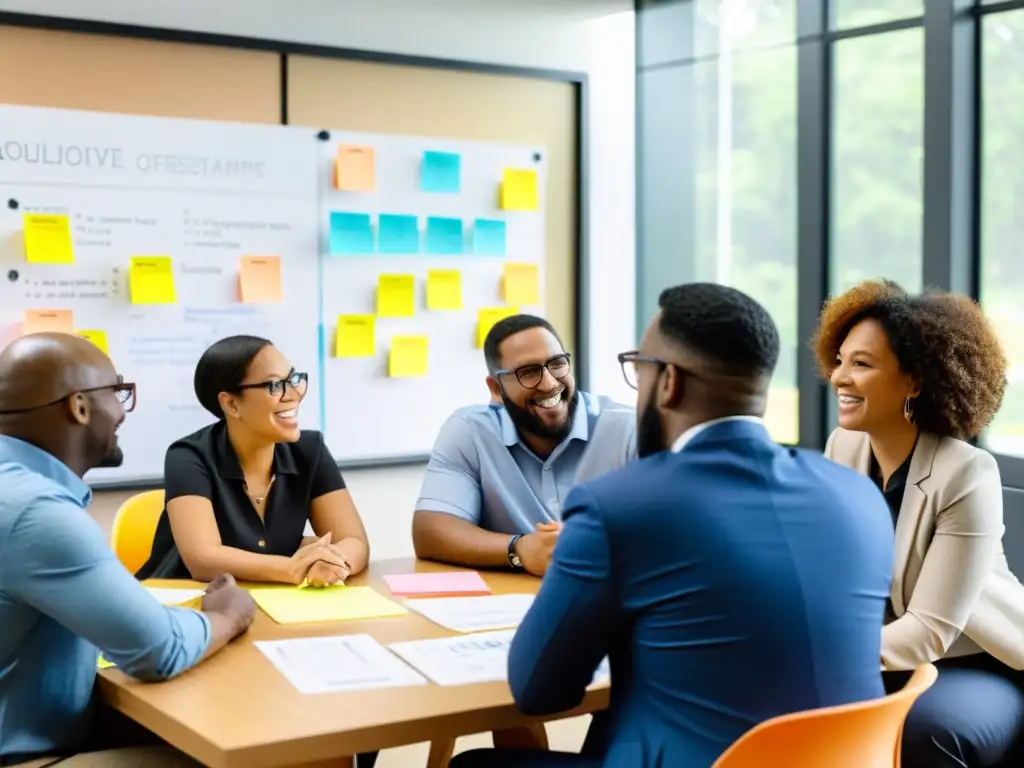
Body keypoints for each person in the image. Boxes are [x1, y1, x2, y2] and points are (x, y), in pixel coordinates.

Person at [451, 283, 895, 768]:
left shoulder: (617, 507)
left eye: (640, 369)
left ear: (669, 383)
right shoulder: (858, 496)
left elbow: (537, 690)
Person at [0, 332, 256, 768]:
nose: (121, 410)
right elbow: (158, 652)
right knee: (239, 757)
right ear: (79, 407)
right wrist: (227, 615)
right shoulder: (37, 513)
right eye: (117, 392)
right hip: (21, 754)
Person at [814, 279, 1024, 768]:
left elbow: (929, 632)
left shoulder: (967, 473)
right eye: (840, 360)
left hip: (971, 660)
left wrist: (819, 649)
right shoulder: (842, 447)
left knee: (922, 733)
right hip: (882, 650)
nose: (840, 377)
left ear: (915, 381)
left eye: (861, 364)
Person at [137, 336, 370, 587]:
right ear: (231, 404)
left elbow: (354, 541)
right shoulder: (187, 456)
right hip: (187, 606)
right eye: (274, 385)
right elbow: (203, 559)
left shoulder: (309, 450)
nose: (293, 394)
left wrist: (334, 563)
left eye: (293, 379)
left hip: (272, 601)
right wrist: (292, 567)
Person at [412, 314, 635, 577]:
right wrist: (519, 549)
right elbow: (430, 530)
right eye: (528, 372)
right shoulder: (470, 431)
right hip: (512, 604)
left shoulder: (627, 429)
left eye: (557, 363)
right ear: (496, 388)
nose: (550, 383)